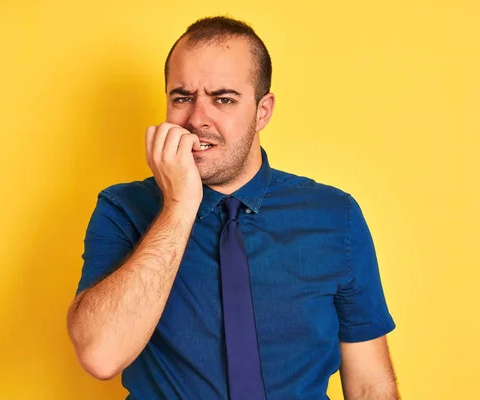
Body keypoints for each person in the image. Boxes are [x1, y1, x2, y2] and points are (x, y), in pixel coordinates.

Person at [66, 15, 399, 400]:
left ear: (262, 111)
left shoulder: (334, 216)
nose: (196, 119)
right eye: (182, 98)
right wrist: (178, 205)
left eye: (223, 99)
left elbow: (370, 384)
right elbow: (101, 355)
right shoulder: (123, 208)